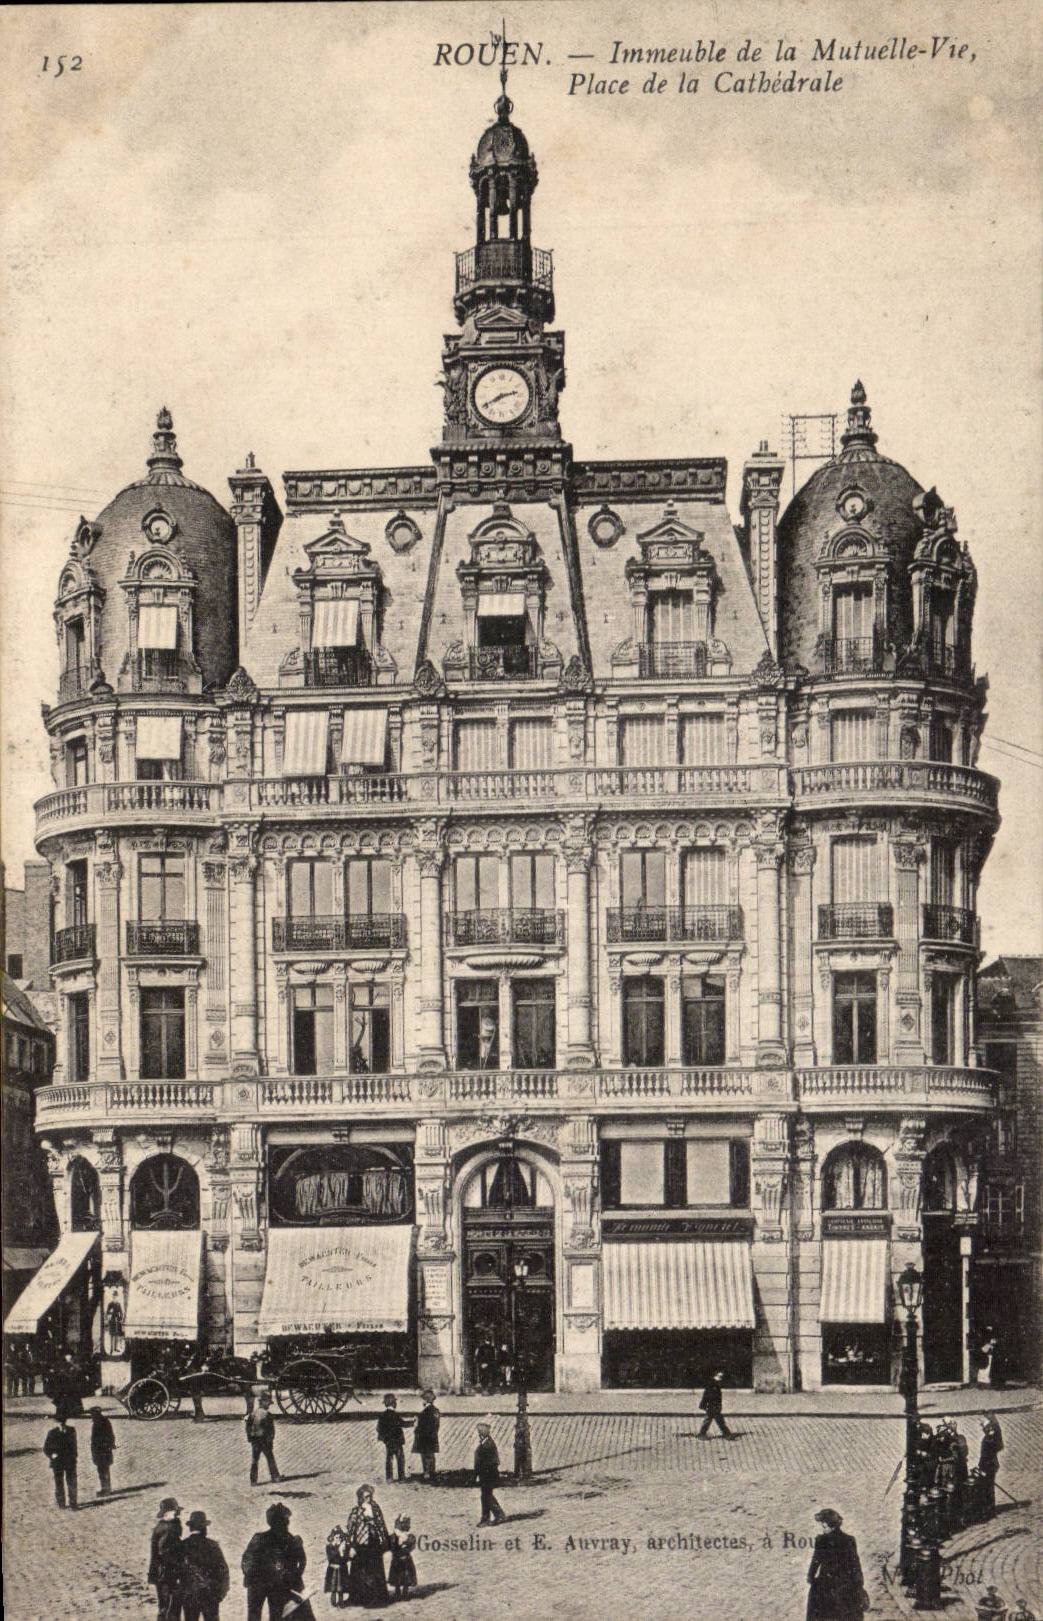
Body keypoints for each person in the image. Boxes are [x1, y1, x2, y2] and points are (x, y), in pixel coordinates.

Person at [241, 1502, 307, 1621]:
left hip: (257, 1584)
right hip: (276, 1585)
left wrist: (250, 1576)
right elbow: (301, 1562)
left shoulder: (259, 1538)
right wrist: (293, 1577)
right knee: (276, 1616)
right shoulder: (290, 1539)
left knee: (254, 1616)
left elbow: (246, 1560)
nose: (288, 1522)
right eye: (286, 1520)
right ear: (282, 1522)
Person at [805, 1508, 867, 1621]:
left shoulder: (822, 1540)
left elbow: (816, 1560)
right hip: (844, 1585)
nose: (823, 1529)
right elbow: (855, 1565)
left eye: (824, 1526)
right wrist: (858, 1584)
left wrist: (811, 1576)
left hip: (827, 1585)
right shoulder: (849, 1540)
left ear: (832, 1526)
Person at [344, 1483, 390, 1608]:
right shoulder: (356, 1510)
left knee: (374, 1570)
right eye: (366, 1497)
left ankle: (376, 1597)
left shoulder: (375, 1508)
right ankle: (357, 1597)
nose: (368, 1499)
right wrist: (351, 1545)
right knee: (358, 1570)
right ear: (361, 1498)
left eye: (370, 1496)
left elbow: (381, 1523)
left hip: (374, 1542)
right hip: (360, 1544)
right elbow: (351, 1528)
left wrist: (384, 1539)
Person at [181, 1510, 230, 1621]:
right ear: (204, 1528)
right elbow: (223, 1571)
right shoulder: (212, 1545)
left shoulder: (183, 1546)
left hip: (189, 1595)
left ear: (191, 1528)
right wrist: (220, 1594)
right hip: (210, 1594)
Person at [149, 1497, 185, 1621]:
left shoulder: (162, 1527)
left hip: (160, 1573)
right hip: (167, 1573)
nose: (177, 1515)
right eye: (175, 1512)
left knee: (164, 1606)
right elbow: (164, 1551)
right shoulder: (169, 1529)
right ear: (167, 1514)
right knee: (171, 1607)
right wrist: (180, 1565)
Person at [43, 1411, 78, 1509]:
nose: (61, 1423)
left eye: (63, 1421)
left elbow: (74, 1445)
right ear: (56, 1422)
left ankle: (73, 1503)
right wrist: (51, 1455)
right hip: (57, 1462)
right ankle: (61, 1503)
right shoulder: (52, 1433)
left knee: (72, 1482)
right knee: (59, 1483)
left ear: (65, 1421)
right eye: (59, 1421)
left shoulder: (71, 1430)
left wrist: (74, 1456)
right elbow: (46, 1448)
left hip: (70, 1461)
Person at [474, 1420, 505, 1526]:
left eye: (479, 1431)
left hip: (488, 1475)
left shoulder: (488, 1444)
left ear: (483, 1433)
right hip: (485, 1475)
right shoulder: (486, 1442)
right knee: (486, 1496)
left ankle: (495, 1516)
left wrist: (480, 1474)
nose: (478, 1433)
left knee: (486, 1496)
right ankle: (488, 1517)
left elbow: (492, 1462)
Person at [246, 1392, 282, 1485]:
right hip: (264, 1440)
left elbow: (248, 1427)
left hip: (255, 1439)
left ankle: (253, 1481)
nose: (269, 1405)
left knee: (254, 1460)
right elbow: (271, 1430)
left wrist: (249, 1438)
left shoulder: (253, 1413)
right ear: (263, 1403)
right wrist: (271, 1440)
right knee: (270, 1458)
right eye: (268, 1403)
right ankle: (275, 1477)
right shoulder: (267, 1415)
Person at [376, 1393, 408, 1484]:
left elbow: (378, 1428)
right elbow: (402, 1424)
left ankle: (389, 1477)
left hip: (388, 1442)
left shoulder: (382, 1415)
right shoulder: (395, 1415)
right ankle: (401, 1477)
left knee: (389, 1459)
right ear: (394, 1404)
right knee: (400, 1458)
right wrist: (413, 1422)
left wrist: (384, 1438)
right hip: (397, 1441)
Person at [978, 1414, 1004, 1518]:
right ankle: (989, 1508)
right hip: (989, 1464)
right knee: (988, 1487)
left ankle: (989, 1510)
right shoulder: (991, 1433)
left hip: (988, 1464)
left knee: (987, 1487)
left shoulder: (991, 1435)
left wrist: (982, 1467)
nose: (982, 1423)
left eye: (984, 1420)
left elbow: (987, 1454)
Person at [387, 1515, 417, 1602]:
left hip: (405, 1559)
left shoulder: (409, 1536)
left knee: (406, 1577)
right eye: (406, 1523)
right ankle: (397, 1591)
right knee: (397, 1577)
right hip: (397, 1559)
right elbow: (391, 1546)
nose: (408, 1526)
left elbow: (411, 1545)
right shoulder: (394, 1536)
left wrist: (405, 1544)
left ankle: (405, 1591)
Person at [412, 1389, 440, 1482]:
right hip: (432, 1436)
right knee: (431, 1455)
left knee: (425, 1456)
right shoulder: (436, 1410)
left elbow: (422, 1426)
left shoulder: (425, 1412)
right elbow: (436, 1425)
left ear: (425, 1400)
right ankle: (432, 1471)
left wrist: (417, 1428)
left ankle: (427, 1473)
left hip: (424, 1437)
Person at [88, 1404, 116, 1495]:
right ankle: (106, 1488)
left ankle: (106, 1490)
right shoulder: (105, 1421)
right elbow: (111, 1435)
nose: (91, 1416)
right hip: (104, 1451)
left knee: (103, 1470)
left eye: (92, 1414)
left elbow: (98, 1439)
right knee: (104, 1470)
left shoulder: (98, 1423)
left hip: (101, 1451)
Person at [698, 1371, 733, 1439]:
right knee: (713, 1421)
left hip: (715, 1406)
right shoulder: (712, 1386)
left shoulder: (716, 1386)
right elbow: (707, 1396)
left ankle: (726, 1434)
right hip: (712, 1406)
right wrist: (704, 1405)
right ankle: (726, 1434)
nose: (720, 1381)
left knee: (715, 1421)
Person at [324, 1524, 351, 1609]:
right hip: (333, 1569)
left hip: (342, 1569)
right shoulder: (329, 1547)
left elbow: (346, 1559)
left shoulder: (343, 1547)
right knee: (333, 1587)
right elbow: (330, 1558)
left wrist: (343, 1553)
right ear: (333, 1538)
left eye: (339, 1537)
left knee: (341, 1587)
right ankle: (333, 1602)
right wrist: (338, 1551)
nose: (338, 1539)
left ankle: (341, 1601)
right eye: (336, 1537)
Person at [513, 1390, 532, 1481]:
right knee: (521, 1457)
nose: (522, 1407)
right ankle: (521, 1471)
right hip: (521, 1441)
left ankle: (523, 1471)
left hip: (522, 1441)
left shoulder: (522, 1415)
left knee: (522, 1456)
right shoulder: (521, 1415)